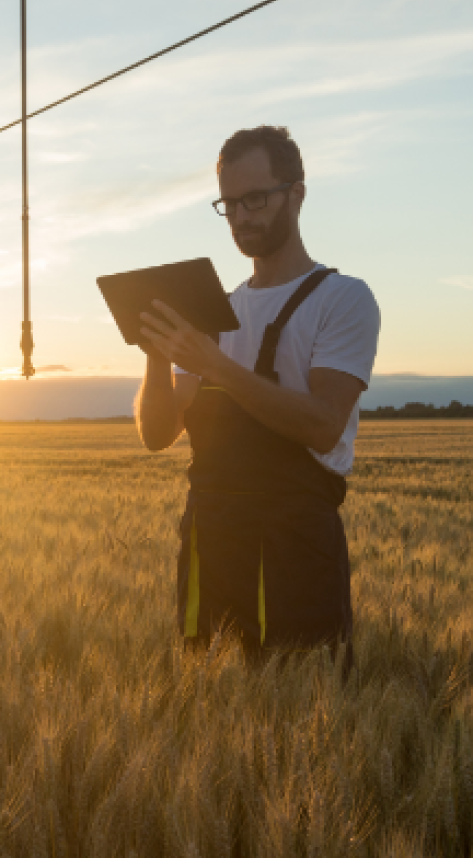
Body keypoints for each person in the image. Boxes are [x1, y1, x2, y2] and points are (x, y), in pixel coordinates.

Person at [135, 125, 379, 664]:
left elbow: (322, 424)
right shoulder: (212, 311)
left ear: (297, 194)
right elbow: (157, 434)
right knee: (210, 715)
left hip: (295, 543)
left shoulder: (343, 299)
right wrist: (156, 351)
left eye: (256, 199)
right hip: (211, 541)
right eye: (230, 204)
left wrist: (213, 363)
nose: (242, 217)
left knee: (303, 712)